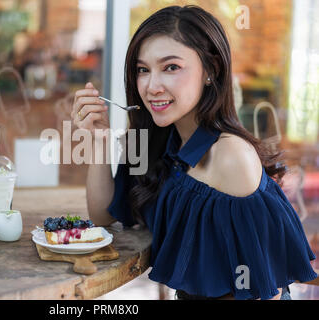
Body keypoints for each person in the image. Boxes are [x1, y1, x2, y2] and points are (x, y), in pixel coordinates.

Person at [70, 5, 317, 300]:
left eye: (171, 67)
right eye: (142, 70)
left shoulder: (230, 157)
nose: (152, 86)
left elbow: (267, 291)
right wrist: (99, 140)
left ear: (210, 71)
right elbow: (102, 216)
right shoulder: (158, 140)